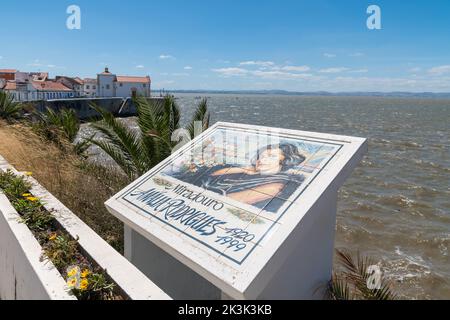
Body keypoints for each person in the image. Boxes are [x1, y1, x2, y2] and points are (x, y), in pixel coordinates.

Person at [176, 143, 306, 213]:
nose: (262, 159)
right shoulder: (247, 170)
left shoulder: (275, 185)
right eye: (261, 155)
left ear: (285, 162)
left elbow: (226, 201)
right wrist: (243, 170)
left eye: (271, 156)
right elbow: (209, 175)